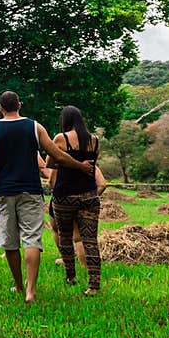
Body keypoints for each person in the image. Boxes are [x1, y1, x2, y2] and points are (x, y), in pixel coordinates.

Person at [0, 91, 94, 304]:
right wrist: (80, 166)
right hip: (31, 190)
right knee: (32, 239)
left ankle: (19, 284)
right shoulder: (35, 127)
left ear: (0, 107)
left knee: (10, 242)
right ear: (19, 105)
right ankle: (31, 291)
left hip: (5, 190)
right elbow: (58, 155)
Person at [45, 106, 106, 296]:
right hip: (89, 195)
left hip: (65, 195)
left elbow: (49, 163)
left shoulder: (60, 138)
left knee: (64, 236)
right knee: (90, 241)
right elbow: (93, 164)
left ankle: (70, 276)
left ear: (65, 120)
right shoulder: (94, 141)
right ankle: (94, 285)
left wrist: (66, 161)